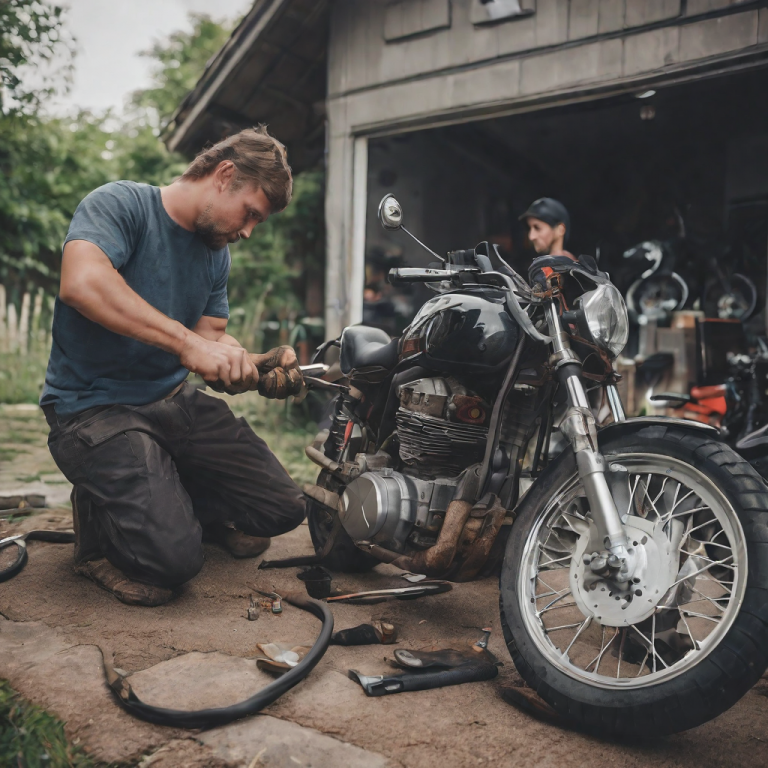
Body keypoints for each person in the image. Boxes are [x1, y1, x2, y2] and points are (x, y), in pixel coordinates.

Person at [41, 126, 306, 607]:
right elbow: (81, 283)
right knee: (174, 565)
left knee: (281, 509)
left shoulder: (214, 253)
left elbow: (209, 337)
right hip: (92, 411)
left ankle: (168, 500)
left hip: (170, 402)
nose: (247, 231)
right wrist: (186, 344)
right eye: (250, 214)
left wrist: (252, 363)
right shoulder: (120, 204)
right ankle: (97, 537)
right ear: (224, 175)